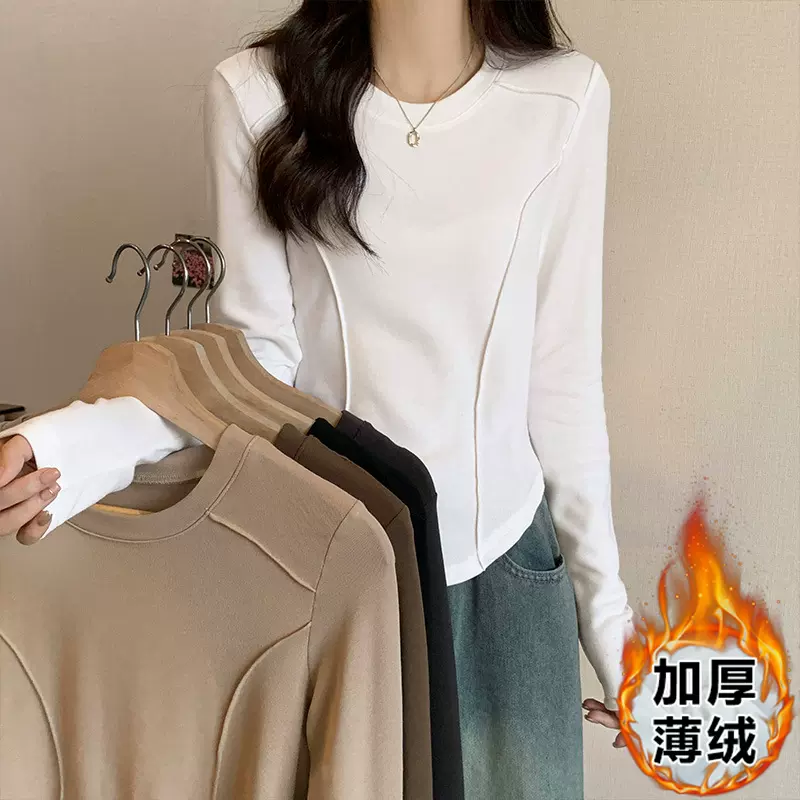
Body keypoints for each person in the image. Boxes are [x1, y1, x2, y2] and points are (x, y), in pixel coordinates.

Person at [0, 1, 633, 796]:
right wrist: (69, 451)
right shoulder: (256, 93)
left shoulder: (565, 98)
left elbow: (562, 377)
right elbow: (248, 369)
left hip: (506, 575)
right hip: (334, 571)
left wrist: (613, 630)